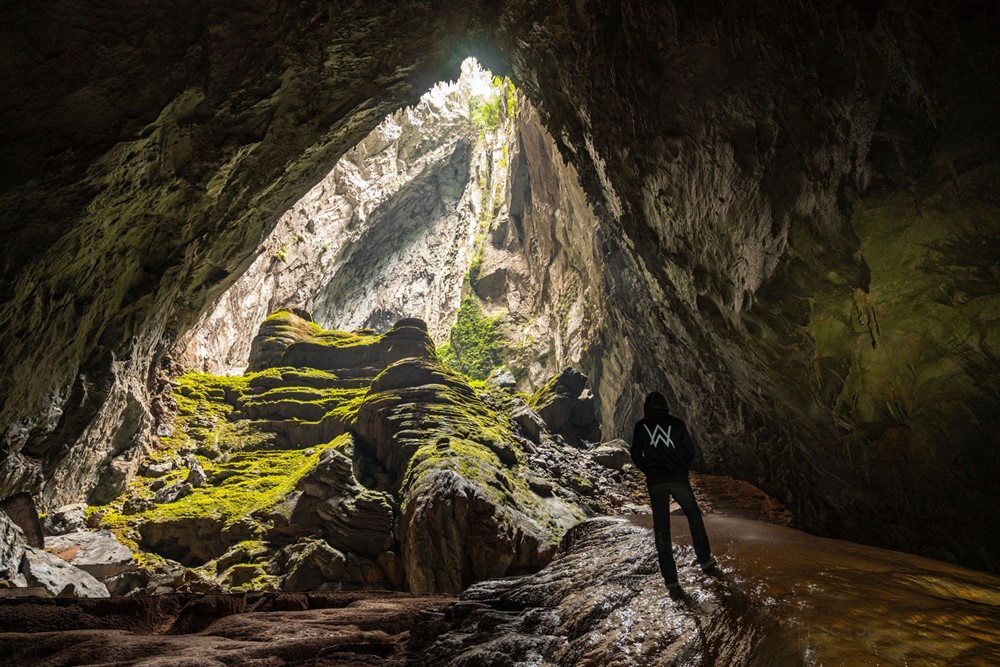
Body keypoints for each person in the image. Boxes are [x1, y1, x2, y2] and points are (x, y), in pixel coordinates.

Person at [630, 391, 716, 591]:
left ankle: (671, 579)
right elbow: (690, 451)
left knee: (661, 528)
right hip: (678, 480)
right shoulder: (677, 424)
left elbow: (635, 453)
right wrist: (681, 467)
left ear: (647, 407)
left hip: (656, 483)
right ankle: (704, 560)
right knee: (694, 516)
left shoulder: (641, 426)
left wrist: (648, 470)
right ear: (665, 405)